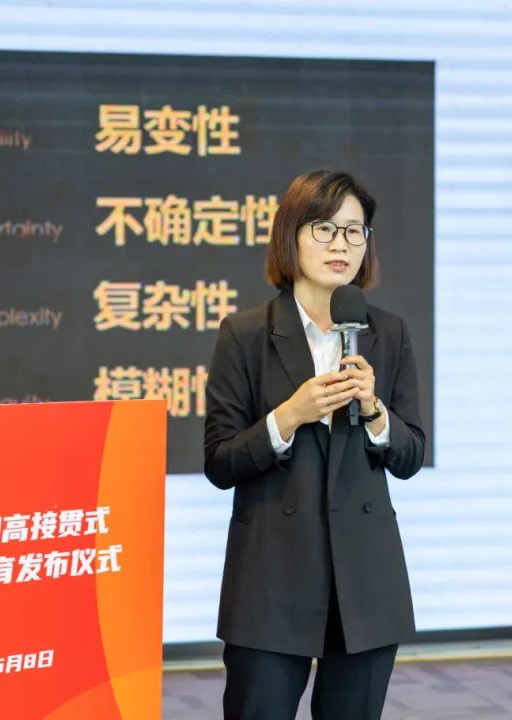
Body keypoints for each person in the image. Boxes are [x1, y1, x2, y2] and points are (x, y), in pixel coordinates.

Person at [204, 168, 427, 720]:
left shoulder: (388, 333)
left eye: (354, 231)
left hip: (365, 584)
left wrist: (375, 412)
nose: (340, 245)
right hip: (271, 583)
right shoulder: (246, 334)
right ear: (291, 236)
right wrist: (288, 417)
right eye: (324, 229)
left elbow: (411, 455)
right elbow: (220, 462)